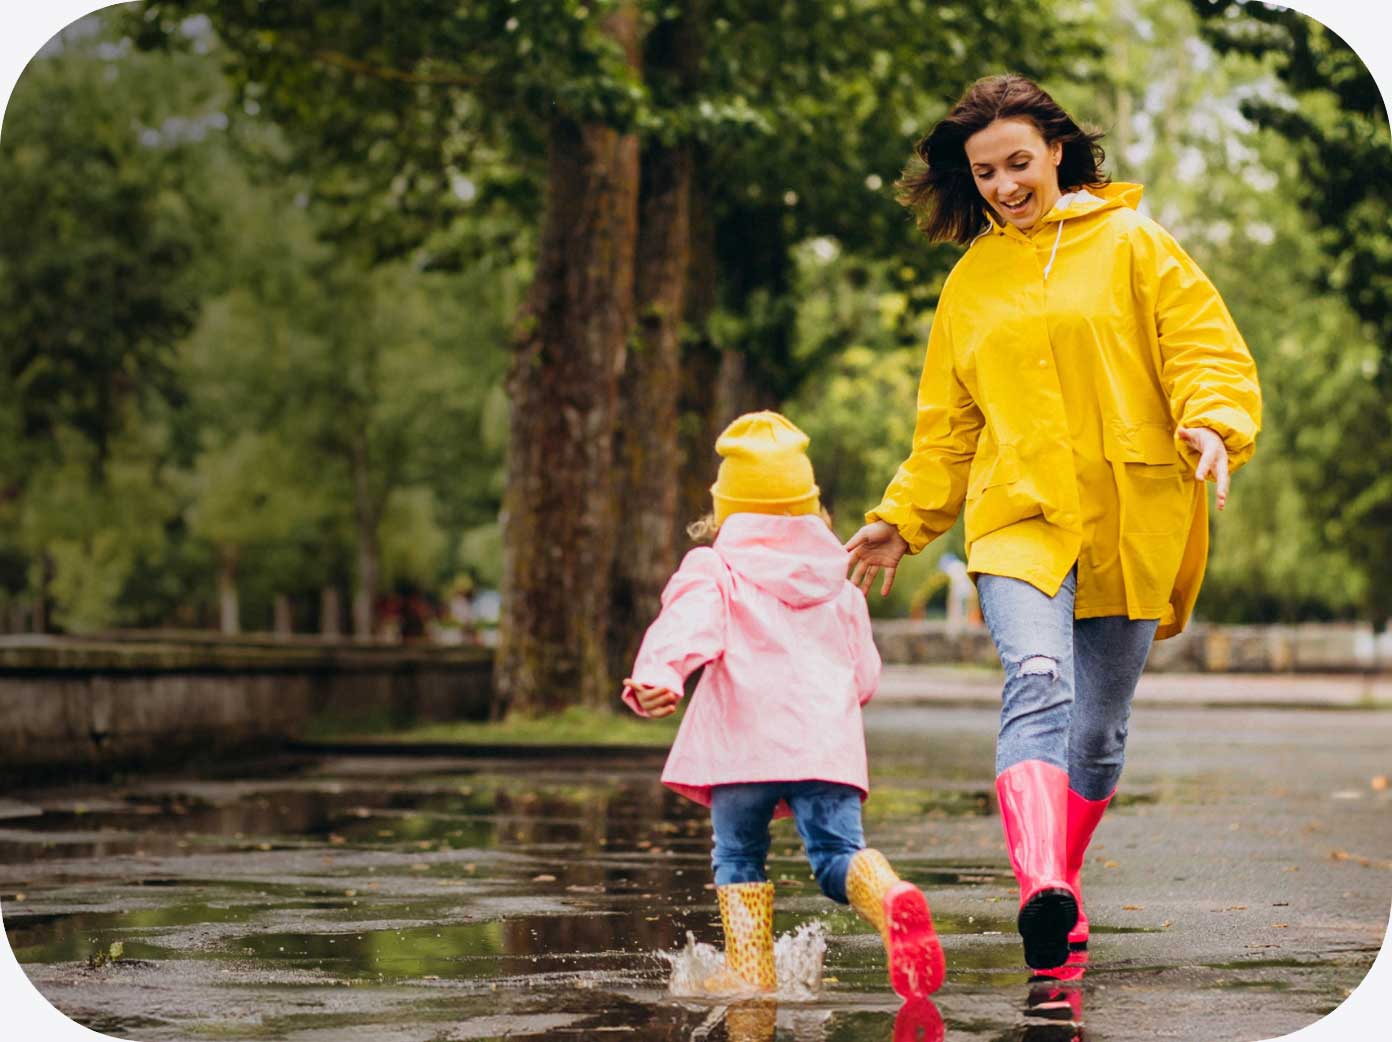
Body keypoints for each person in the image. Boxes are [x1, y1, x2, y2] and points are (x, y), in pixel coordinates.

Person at [844, 74, 1261, 971]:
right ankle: (1040, 886)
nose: (1003, 185)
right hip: (1015, 515)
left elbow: (1204, 350)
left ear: (1059, 151)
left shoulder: (1135, 244)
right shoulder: (970, 282)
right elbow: (948, 431)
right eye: (984, 171)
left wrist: (1214, 422)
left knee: (1100, 733)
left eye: (1018, 163)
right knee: (1037, 679)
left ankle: (1058, 882)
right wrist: (901, 520)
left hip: (1130, 513)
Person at [622, 411, 945, 998]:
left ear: (727, 507)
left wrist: (660, 675)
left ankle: (749, 971)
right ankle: (890, 893)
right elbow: (864, 676)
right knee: (837, 856)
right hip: (825, 748)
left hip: (740, 750)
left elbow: (686, 625)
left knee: (739, 856)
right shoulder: (840, 582)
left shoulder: (715, 567)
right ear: (809, 505)